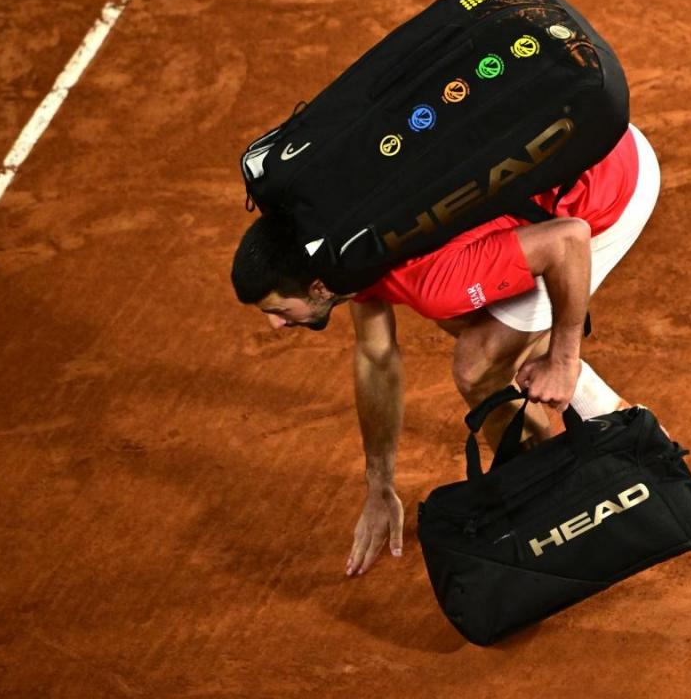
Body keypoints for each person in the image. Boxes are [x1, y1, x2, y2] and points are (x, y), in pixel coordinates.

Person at [230, 123, 662, 578]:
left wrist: (563, 360)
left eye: (278, 309)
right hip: (576, 139)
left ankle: (582, 487)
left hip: (609, 187)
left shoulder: (427, 280)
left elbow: (568, 239)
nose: (277, 323)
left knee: (478, 366)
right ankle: (560, 422)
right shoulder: (344, 241)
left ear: (318, 287)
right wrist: (379, 485)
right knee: (472, 317)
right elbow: (376, 356)